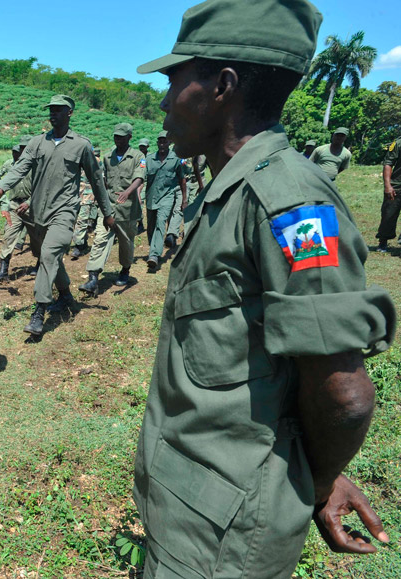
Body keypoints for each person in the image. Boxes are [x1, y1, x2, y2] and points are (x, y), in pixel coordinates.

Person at [132, 1, 395, 576]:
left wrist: (316, 480)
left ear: (222, 87)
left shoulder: (290, 203)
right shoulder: (231, 189)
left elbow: (345, 395)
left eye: (175, 80)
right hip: (191, 507)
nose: (164, 100)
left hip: (220, 539)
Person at [0, 95, 117, 337]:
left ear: (69, 113)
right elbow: (20, 168)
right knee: (48, 256)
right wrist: (1, 188)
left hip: (64, 211)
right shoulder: (38, 142)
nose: (53, 114)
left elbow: (96, 181)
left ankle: (39, 311)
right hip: (38, 213)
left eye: (58, 110)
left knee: (48, 255)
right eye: (51, 110)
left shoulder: (81, 145)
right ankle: (66, 295)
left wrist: (107, 213)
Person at [80, 123, 146, 293]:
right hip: (108, 206)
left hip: (128, 209)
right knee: (100, 239)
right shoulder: (108, 157)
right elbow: (104, 180)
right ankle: (93, 278)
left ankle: (125, 269)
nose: (118, 140)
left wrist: (128, 192)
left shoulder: (138, 156)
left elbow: (139, 178)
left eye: (121, 137)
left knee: (126, 242)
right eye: (116, 136)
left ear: (129, 137)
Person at [0, 136, 37, 282]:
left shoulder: (39, 166)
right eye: (22, 148)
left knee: (38, 239)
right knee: (9, 236)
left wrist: (29, 202)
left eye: (26, 148)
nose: (23, 151)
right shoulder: (15, 165)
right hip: (14, 206)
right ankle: (3, 271)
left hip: (33, 207)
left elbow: (44, 188)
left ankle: (40, 265)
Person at [144, 131, 186, 271]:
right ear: (157, 143)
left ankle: (154, 255)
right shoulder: (149, 159)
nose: (162, 144)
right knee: (151, 226)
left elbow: (182, 179)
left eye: (165, 141)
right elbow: (141, 178)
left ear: (169, 143)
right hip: (151, 197)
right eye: (160, 141)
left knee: (160, 223)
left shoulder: (175, 159)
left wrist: (184, 199)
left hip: (167, 197)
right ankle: (154, 247)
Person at [69, 147, 102, 259]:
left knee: (82, 221)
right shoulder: (74, 159)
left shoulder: (95, 161)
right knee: (74, 220)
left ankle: (78, 246)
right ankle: (83, 242)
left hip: (87, 196)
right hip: (74, 195)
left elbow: (99, 178)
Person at [375, 135, 401, 252]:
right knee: (388, 214)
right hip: (397, 185)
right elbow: (388, 163)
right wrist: (388, 185)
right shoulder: (398, 143)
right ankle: (383, 241)